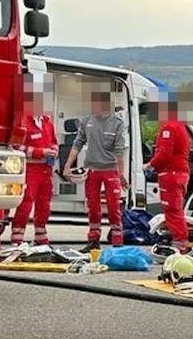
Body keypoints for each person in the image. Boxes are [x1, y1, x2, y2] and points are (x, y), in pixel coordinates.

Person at [63, 89, 129, 249]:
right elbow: (77, 143)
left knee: (114, 208)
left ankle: (117, 243)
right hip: (92, 170)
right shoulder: (87, 121)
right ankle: (93, 241)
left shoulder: (117, 124)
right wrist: (67, 165)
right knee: (93, 207)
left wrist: (121, 175)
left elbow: (120, 152)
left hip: (110, 170)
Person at [8, 82, 58, 246]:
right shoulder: (23, 121)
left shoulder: (47, 122)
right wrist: (40, 152)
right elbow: (16, 146)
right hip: (30, 170)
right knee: (25, 205)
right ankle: (17, 240)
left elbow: (54, 142)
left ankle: (41, 237)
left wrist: (54, 151)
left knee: (44, 205)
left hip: (46, 170)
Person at [146, 95, 191, 246]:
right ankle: (179, 243)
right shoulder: (180, 127)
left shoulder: (169, 128)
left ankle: (180, 245)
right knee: (175, 210)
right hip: (179, 173)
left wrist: (149, 165)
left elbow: (164, 154)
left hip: (171, 174)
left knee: (172, 210)